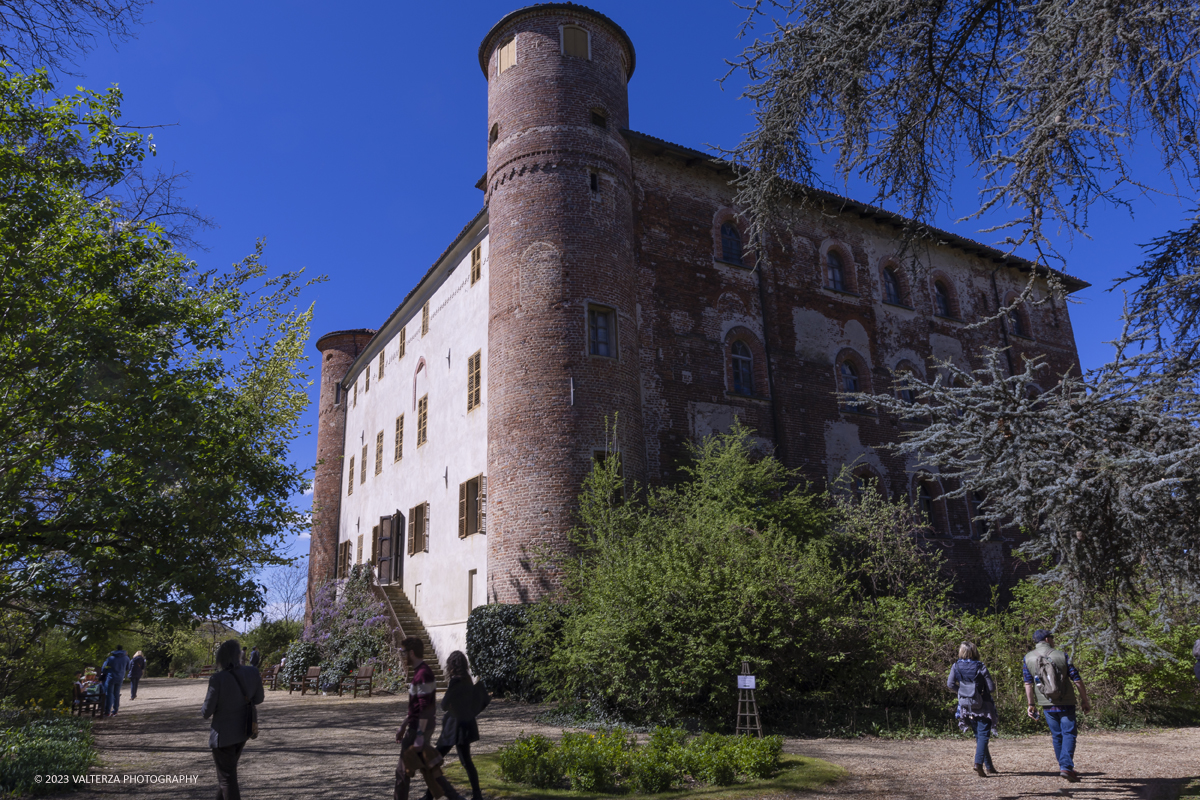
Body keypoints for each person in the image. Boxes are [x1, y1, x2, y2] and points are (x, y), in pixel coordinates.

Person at [395, 637, 463, 800]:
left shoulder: (423, 674)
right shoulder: (421, 672)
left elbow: (426, 708)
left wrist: (418, 735)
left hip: (418, 729)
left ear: (412, 653)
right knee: (430, 769)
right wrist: (403, 726)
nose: (403, 656)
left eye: (404, 653)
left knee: (403, 771)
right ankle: (455, 797)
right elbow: (416, 707)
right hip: (416, 727)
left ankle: (455, 797)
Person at [1024, 629, 1091, 783]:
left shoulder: (1028, 658)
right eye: (1052, 638)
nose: (1053, 640)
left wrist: (1031, 704)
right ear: (1047, 639)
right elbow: (1077, 679)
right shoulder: (1062, 655)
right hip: (1066, 701)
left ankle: (1064, 767)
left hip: (1046, 703)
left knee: (1057, 735)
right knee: (1069, 733)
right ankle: (1066, 767)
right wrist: (1084, 700)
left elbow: (1028, 683)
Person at [201, 639, 264, 800]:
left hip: (223, 735)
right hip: (243, 730)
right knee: (228, 774)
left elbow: (206, 712)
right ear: (238, 655)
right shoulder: (252, 672)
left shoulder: (218, 679)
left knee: (227, 779)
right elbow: (258, 699)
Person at [421, 651, 486, 800]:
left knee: (434, 760)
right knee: (466, 762)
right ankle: (477, 795)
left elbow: (444, 705)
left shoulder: (455, 681)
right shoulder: (468, 679)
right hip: (466, 725)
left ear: (452, 665)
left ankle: (429, 795)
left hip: (454, 728)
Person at [947, 641, 998, 777]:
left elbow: (950, 683)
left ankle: (989, 766)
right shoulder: (980, 666)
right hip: (983, 704)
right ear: (975, 652)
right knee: (984, 735)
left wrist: (962, 691)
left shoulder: (956, 666)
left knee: (980, 736)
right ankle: (978, 763)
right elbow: (991, 688)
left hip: (966, 705)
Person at [100, 645, 130, 717]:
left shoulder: (110, 658)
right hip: (120, 677)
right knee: (117, 693)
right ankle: (115, 710)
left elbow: (103, 669)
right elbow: (127, 668)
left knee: (109, 694)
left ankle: (107, 712)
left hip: (110, 677)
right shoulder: (126, 658)